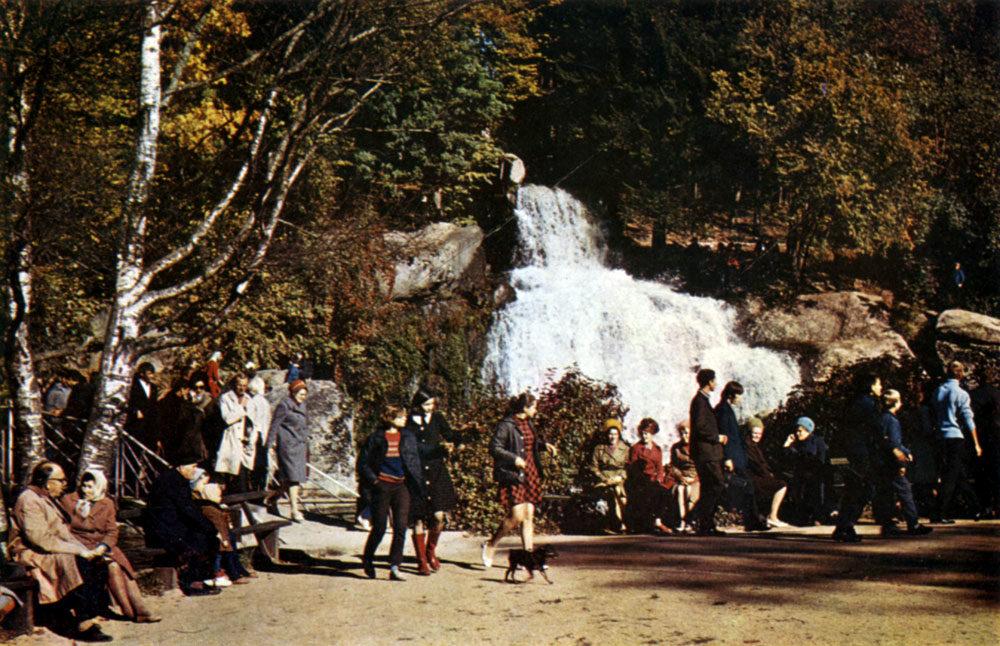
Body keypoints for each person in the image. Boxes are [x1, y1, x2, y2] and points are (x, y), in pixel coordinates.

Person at [8, 461, 113, 641]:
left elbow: (63, 533)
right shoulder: (29, 500)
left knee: (98, 561)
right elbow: (39, 539)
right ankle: (83, 622)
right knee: (76, 562)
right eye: (61, 480)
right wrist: (78, 552)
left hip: (50, 548)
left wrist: (84, 549)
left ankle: (89, 613)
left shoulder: (47, 498)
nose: (65, 484)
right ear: (47, 483)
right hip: (31, 552)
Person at [60, 469, 160, 622]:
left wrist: (103, 546)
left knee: (121, 567)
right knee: (112, 566)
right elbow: (64, 529)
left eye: (90, 487)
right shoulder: (68, 500)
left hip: (103, 545)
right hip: (81, 545)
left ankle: (140, 610)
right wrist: (81, 547)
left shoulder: (107, 503)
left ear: (100, 486)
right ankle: (129, 611)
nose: (86, 490)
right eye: (84, 486)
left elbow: (112, 531)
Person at [481, 393, 558, 568]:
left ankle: (528, 557)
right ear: (524, 407)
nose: (536, 410)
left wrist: (544, 445)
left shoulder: (528, 423)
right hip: (514, 472)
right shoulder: (506, 424)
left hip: (530, 471)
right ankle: (491, 544)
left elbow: (528, 444)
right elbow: (494, 447)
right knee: (516, 515)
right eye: (534, 407)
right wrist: (513, 459)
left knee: (529, 515)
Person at [358, 405, 425, 581]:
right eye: (400, 416)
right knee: (379, 528)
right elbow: (363, 464)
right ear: (390, 418)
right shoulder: (376, 438)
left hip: (401, 486)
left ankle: (395, 566)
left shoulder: (407, 436)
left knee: (401, 527)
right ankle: (368, 559)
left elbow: (418, 456)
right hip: (382, 486)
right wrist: (375, 481)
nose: (405, 419)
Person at [142, 458, 221, 596]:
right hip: (165, 530)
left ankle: (200, 579)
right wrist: (208, 526)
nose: (195, 470)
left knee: (206, 536)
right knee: (202, 540)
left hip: (167, 526)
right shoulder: (174, 482)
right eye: (193, 466)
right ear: (181, 466)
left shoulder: (172, 478)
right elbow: (186, 508)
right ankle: (192, 583)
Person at [406, 387, 459, 575]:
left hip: (437, 472)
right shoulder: (408, 422)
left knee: (438, 516)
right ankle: (421, 560)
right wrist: (439, 449)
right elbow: (413, 448)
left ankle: (430, 550)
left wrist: (462, 437)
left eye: (432, 404)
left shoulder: (437, 418)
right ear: (418, 404)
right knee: (418, 518)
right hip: (417, 473)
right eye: (427, 404)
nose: (430, 407)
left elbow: (450, 435)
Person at [833, 373, 885, 543]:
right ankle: (846, 526)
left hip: (850, 452)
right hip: (861, 453)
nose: (881, 387)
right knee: (862, 489)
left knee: (854, 489)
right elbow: (876, 430)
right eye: (878, 384)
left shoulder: (854, 402)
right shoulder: (868, 403)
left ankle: (843, 527)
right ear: (871, 386)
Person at [876, 390, 933, 537]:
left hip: (881, 461)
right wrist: (903, 458)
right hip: (892, 462)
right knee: (905, 491)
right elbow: (895, 443)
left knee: (887, 493)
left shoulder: (881, 418)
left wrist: (905, 450)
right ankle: (913, 523)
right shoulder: (893, 421)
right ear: (896, 402)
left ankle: (888, 525)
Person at [932, 361, 983, 522]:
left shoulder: (938, 391)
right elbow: (968, 420)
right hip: (955, 436)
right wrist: (976, 443)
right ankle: (939, 512)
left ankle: (976, 508)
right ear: (960, 374)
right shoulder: (961, 393)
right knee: (951, 476)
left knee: (957, 473)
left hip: (939, 436)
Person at [716, 382, 768, 532]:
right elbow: (725, 436)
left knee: (748, 486)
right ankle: (753, 521)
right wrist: (727, 458)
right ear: (731, 395)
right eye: (739, 395)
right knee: (748, 486)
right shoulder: (723, 410)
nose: (740, 399)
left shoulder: (725, 409)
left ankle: (752, 521)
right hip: (732, 457)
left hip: (736, 457)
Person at [215, 374, 270, 493]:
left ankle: (242, 499)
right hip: (231, 438)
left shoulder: (249, 399)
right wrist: (241, 407)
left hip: (245, 440)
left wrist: (251, 438)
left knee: (243, 473)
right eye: (239, 385)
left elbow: (253, 422)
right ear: (235, 385)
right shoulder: (226, 398)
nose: (242, 388)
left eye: (245, 385)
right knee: (230, 471)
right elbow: (227, 418)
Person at [689, 368, 728, 536]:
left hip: (705, 452)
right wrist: (717, 437)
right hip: (706, 453)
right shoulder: (699, 401)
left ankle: (706, 525)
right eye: (714, 380)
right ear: (710, 382)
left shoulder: (702, 400)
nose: (716, 383)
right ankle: (698, 517)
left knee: (708, 487)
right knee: (717, 484)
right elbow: (700, 427)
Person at [268, 379, 310, 522]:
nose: (303, 397)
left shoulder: (302, 405)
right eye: (300, 394)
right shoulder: (284, 405)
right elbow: (275, 425)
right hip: (287, 446)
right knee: (294, 478)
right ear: (293, 393)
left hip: (300, 445)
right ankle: (294, 511)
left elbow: (304, 425)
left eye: (304, 394)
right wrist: (270, 444)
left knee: (288, 478)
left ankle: (272, 500)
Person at [625, 418, 675, 535]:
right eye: (642, 433)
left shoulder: (657, 449)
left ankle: (659, 520)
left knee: (665, 492)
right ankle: (652, 523)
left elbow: (660, 467)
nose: (644, 436)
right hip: (640, 480)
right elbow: (633, 468)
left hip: (654, 480)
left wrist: (659, 478)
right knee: (651, 492)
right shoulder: (636, 448)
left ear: (652, 434)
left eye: (647, 433)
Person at [783, 417, 829, 526]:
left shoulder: (817, 441)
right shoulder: (797, 443)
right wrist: (787, 444)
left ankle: (817, 516)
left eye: (800, 431)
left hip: (815, 474)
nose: (797, 433)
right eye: (797, 431)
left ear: (808, 430)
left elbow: (820, 460)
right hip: (801, 475)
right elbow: (787, 458)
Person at [744, 417, 789, 528]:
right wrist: (768, 475)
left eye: (760, 433)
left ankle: (767, 517)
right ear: (749, 432)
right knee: (781, 485)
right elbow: (756, 465)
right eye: (755, 433)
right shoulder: (748, 446)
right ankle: (773, 517)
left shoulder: (753, 445)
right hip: (752, 478)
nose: (757, 436)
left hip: (756, 477)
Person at [589, 418, 630, 533]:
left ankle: (620, 523)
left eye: (615, 434)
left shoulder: (625, 449)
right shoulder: (599, 449)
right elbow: (593, 467)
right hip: (603, 480)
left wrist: (621, 477)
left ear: (619, 435)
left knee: (619, 492)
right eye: (610, 434)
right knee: (606, 494)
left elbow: (628, 467)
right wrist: (603, 478)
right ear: (607, 435)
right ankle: (610, 524)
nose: (612, 437)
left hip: (620, 479)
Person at [156, 376, 208, 465]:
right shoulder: (176, 403)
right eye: (187, 390)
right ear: (182, 389)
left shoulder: (168, 400)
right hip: (172, 438)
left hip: (170, 437)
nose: (188, 392)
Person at [971, 367, 1000, 518]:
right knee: (997, 471)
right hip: (996, 436)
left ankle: (985, 506)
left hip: (981, 436)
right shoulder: (997, 393)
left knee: (982, 473)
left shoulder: (974, 395)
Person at [669, 421, 699, 533]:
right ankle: (682, 521)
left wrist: (693, 479)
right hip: (682, 478)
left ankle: (690, 522)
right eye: (681, 433)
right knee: (680, 490)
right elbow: (673, 466)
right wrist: (681, 477)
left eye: (686, 433)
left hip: (696, 478)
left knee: (689, 490)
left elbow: (702, 466)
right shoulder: (676, 447)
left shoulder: (697, 446)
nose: (684, 436)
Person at [246, 376, 273, 491]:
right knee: (263, 466)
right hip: (264, 436)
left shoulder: (252, 401)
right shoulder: (265, 402)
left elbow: (250, 420)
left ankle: (254, 491)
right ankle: (262, 489)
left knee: (254, 466)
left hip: (255, 435)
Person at [125, 362, 159, 447]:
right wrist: (135, 410)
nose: (152, 376)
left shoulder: (154, 388)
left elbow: (153, 406)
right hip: (134, 423)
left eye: (152, 373)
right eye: (149, 374)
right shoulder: (132, 386)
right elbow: (127, 401)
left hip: (147, 425)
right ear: (142, 374)